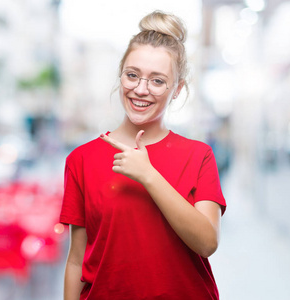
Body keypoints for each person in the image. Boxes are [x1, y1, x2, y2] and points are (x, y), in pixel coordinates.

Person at [60, 10, 226, 300]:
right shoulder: (81, 160)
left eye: (157, 81)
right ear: (121, 75)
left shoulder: (199, 155)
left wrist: (149, 175)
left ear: (177, 90)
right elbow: (76, 260)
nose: (141, 89)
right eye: (132, 75)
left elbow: (207, 242)